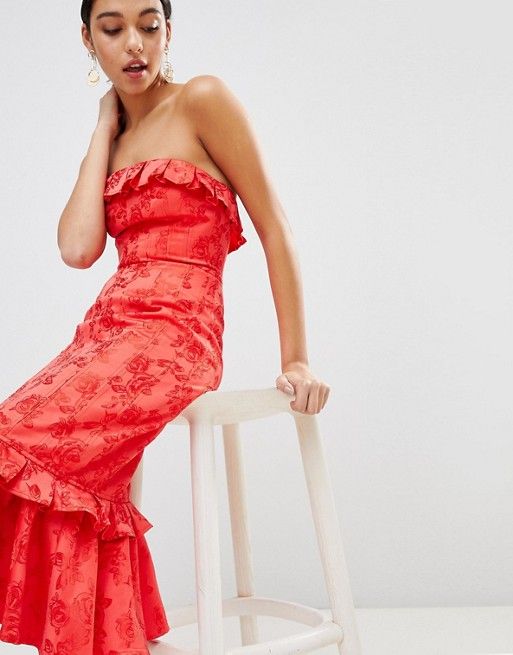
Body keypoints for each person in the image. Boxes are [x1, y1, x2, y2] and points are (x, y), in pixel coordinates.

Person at [0, 0, 331, 652]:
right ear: (88, 39)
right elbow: (77, 249)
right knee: (51, 463)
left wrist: (296, 357)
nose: (134, 44)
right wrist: (103, 126)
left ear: (168, 32)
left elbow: (275, 227)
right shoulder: (115, 139)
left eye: (149, 26)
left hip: (178, 334)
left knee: (20, 439)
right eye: (113, 28)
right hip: (106, 329)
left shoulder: (202, 100)